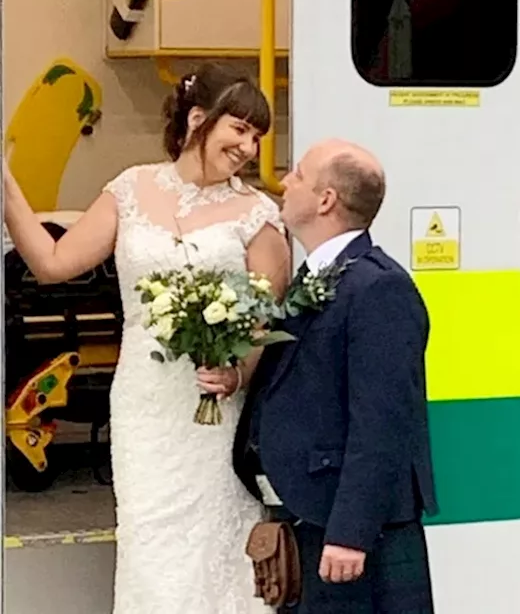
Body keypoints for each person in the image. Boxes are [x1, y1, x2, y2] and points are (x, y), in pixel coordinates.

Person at [2, 63, 292, 612]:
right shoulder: (129, 187)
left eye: (257, 136)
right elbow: (53, 262)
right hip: (144, 401)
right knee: (148, 542)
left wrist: (237, 372)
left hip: (213, 408)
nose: (250, 147)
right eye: (241, 129)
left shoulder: (256, 212)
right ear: (199, 120)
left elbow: (265, 315)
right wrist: (8, 186)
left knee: (216, 541)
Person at [232, 138, 437, 613]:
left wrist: (351, 534)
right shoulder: (316, 278)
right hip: (311, 516)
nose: (284, 180)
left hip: (348, 534)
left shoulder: (378, 286)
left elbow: (382, 423)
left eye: (298, 174)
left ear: (326, 200)